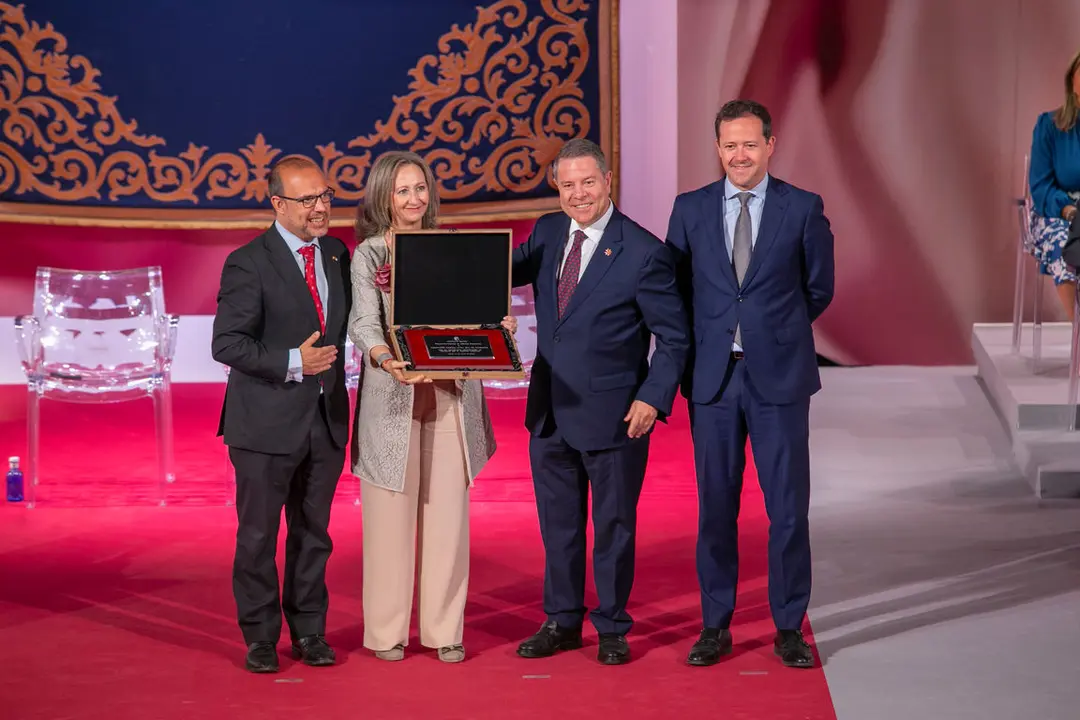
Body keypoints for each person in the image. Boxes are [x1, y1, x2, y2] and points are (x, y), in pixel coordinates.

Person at [665, 99, 834, 669]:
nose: (740, 154)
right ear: (717, 149)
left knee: (788, 509)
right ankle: (716, 625)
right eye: (729, 145)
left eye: (750, 144)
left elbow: (819, 288)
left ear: (770, 145)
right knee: (716, 506)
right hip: (713, 380)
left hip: (779, 380)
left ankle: (789, 625)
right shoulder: (689, 210)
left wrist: (773, 332)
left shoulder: (803, 208)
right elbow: (678, 291)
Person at [511, 138, 690, 665]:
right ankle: (562, 620)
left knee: (612, 528)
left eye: (587, 182)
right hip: (549, 412)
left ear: (608, 181)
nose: (577, 193)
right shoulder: (546, 233)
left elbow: (674, 337)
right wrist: (426, 258)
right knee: (559, 526)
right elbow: (498, 273)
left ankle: (611, 625)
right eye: (567, 184)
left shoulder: (643, 251)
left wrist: (652, 400)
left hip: (615, 417)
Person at [348, 150, 515, 664]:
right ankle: (385, 633)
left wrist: (496, 328)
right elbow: (364, 323)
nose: (414, 199)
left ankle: (445, 630)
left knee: (448, 518)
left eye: (420, 188)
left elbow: (475, 313)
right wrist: (382, 358)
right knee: (388, 520)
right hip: (393, 395)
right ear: (384, 197)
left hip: (450, 396)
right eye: (402, 190)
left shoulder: (455, 248)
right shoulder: (370, 255)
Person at [211, 156, 352, 673]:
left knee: (314, 532)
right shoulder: (248, 261)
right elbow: (226, 343)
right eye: (308, 200)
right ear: (278, 204)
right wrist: (295, 361)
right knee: (258, 536)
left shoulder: (337, 254)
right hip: (264, 425)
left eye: (325, 196)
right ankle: (261, 636)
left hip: (326, 420)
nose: (321, 208)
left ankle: (310, 630)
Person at [1029, 48, 1080, 319]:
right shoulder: (1049, 126)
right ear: (1072, 82)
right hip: (1055, 212)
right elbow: (1041, 186)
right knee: (1065, 246)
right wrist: (1069, 211)